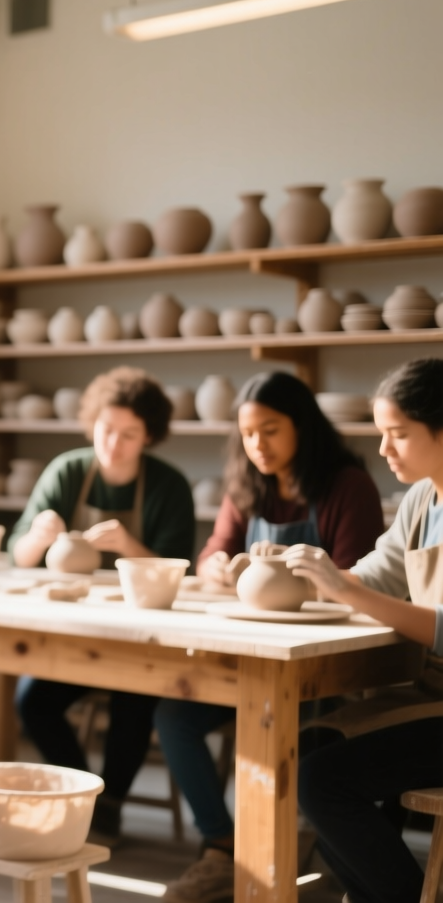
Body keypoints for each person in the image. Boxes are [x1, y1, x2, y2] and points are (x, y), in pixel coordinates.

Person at [156, 370, 384, 903]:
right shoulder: (249, 485)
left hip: (328, 664)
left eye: (271, 430)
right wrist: (216, 568)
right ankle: (221, 845)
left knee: (300, 742)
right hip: (253, 654)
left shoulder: (346, 485)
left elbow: (364, 582)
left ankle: (297, 850)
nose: (257, 444)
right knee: (174, 715)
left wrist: (297, 576)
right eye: (248, 433)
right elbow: (213, 552)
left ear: (302, 425)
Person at [7, 367, 195, 843]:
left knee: (136, 696)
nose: (113, 443)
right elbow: (19, 560)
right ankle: (85, 793)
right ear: (92, 422)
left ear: (149, 435)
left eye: (129, 434)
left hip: (143, 634)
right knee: (32, 701)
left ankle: (107, 809)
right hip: (73, 630)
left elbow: (182, 570)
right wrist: (38, 536)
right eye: (106, 429)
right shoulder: (69, 470)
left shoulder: (168, 485)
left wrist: (130, 543)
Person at [290, 358, 443, 903]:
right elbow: (373, 575)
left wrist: (348, 591)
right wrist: (299, 575)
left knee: (321, 780)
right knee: (301, 750)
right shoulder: (422, 500)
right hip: (432, 696)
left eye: (398, 434)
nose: (384, 450)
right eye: (381, 434)